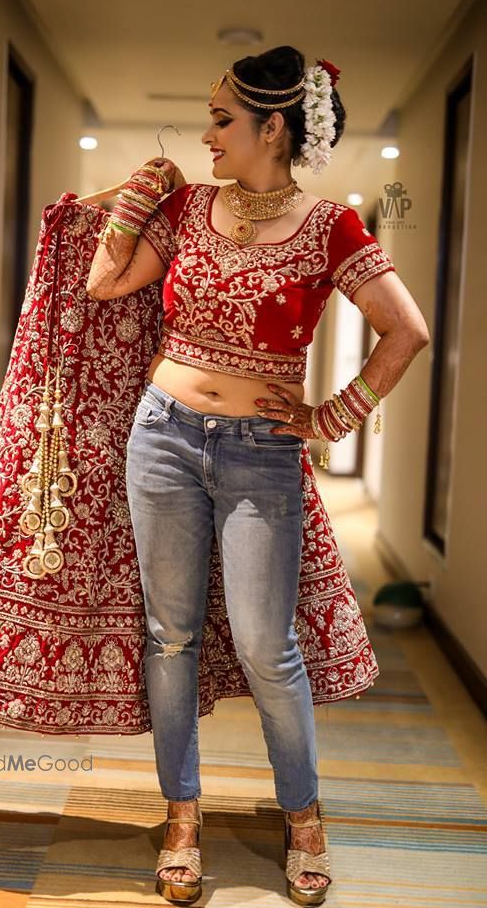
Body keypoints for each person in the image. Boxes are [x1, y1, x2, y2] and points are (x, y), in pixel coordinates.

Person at [86, 44, 430, 906]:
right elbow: (104, 282)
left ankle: (303, 817)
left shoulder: (330, 229)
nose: (207, 134)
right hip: (161, 436)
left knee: (265, 647)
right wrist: (134, 201)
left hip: (259, 455)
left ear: (271, 127)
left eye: (220, 119)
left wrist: (329, 420)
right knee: (170, 637)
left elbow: (406, 331)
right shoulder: (189, 208)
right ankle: (181, 818)